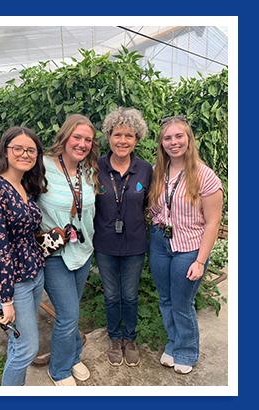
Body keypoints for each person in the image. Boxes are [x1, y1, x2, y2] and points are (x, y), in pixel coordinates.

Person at [148, 116, 223, 374]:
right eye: (167, 138)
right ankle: (173, 343)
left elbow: (213, 223)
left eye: (179, 136)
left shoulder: (205, 176)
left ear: (189, 139)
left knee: (182, 302)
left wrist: (200, 261)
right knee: (166, 299)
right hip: (160, 243)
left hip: (189, 247)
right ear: (162, 143)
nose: (173, 142)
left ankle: (187, 351)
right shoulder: (159, 171)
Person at [0, 126, 47, 386]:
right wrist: (4, 298)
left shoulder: (25, 186)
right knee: (27, 348)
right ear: (5, 151)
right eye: (18, 148)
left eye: (31, 150)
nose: (25, 154)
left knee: (19, 346)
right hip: (13, 283)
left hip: (34, 275)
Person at [37, 114, 98, 386]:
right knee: (68, 315)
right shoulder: (41, 168)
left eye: (88, 139)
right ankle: (59, 369)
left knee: (72, 310)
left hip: (83, 250)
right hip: (55, 254)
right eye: (77, 137)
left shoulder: (89, 170)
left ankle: (73, 356)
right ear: (65, 136)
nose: (82, 144)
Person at [93, 107, 153, 367]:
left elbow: (149, 204)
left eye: (129, 135)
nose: (123, 141)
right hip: (105, 243)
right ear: (109, 136)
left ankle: (130, 338)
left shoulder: (145, 170)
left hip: (135, 244)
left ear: (137, 139)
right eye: (118, 134)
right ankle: (114, 338)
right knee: (111, 296)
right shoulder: (96, 167)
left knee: (129, 295)